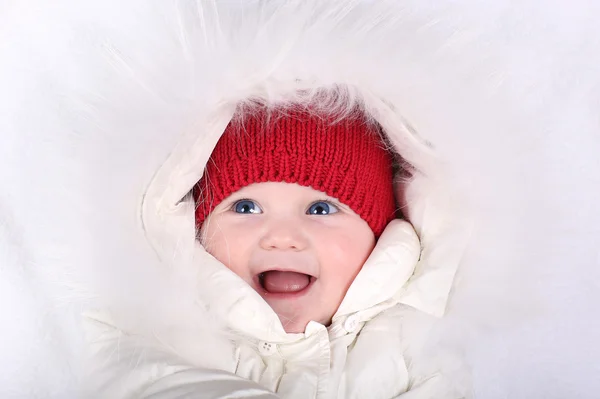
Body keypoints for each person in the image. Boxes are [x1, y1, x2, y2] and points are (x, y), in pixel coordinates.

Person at [83, 97, 464, 398]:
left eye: (321, 208)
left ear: (378, 235)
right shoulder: (161, 327)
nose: (281, 236)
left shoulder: (415, 337)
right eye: (246, 207)